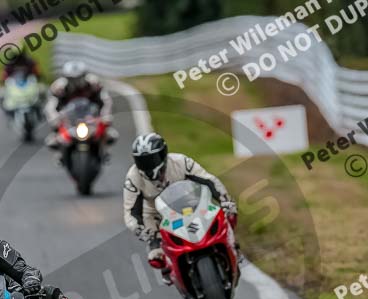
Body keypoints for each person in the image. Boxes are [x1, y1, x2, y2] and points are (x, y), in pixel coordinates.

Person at [122, 133, 238, 280]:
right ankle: (168, 269)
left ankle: (232, 245)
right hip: (156, 215)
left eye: (151, 159)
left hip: (191, 204)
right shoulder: (132, 178)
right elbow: (131, 211)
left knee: (225, 216)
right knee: (155, 255)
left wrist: (224, 200)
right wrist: (139, 229)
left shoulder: (181, 162)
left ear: (163, 154)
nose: (147, 165)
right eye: (141, 161)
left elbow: (208, 180)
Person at [44, 60, 118, 150]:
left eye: (79, 78)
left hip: (91, 118)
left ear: (84, 75)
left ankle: (103, 151)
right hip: (69, 119)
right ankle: (61, 154)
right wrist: (54, 118)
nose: (76, 81)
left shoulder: (94, 84)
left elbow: (106, 100)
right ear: (66, 78)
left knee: (111, 136)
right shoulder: (59, 88)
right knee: (53, 141)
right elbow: (51, 105)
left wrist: (106, 115)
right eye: (72, 79)